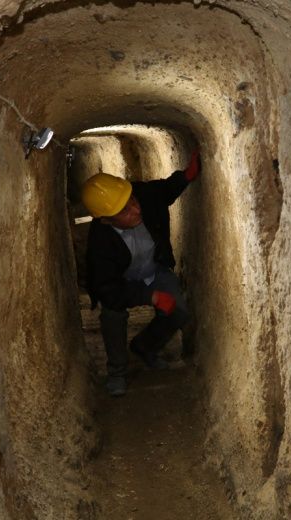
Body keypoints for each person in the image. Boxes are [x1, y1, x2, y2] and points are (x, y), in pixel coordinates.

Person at [81, 150, 201, 396]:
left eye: (133, 202)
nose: (135, 211)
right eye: (124, 212)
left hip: (153, 269)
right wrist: (150, 297)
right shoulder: (100, 243)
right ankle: (117, 371)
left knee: (179, 310)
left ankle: (145, 347)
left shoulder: (142, 197)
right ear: (106, 220)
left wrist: (187, 175)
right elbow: (110, 290)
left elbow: (165, 190)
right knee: (112, 316)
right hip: (122, 281)